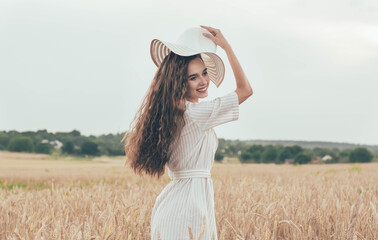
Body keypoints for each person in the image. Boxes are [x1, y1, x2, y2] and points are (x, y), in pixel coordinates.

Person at [122, 25, 253, 239]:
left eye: (204, 73)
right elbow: (245, 90)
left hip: (180, 203)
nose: (203, 81)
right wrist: (226, 47)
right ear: (180, 81)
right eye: (193, 77)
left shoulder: (172, 112)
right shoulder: (195, 113)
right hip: (188, 208)